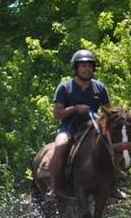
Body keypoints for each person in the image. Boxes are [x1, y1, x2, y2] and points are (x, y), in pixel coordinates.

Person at [48, 49, 126, 199]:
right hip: (69, 127)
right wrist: (75, 108)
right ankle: (54, 185)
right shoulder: (65, 87)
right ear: (76, 68)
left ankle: (114, 184)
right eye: (83, 65)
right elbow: (57, 114)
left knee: (113, 145)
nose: (86, 69)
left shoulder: (100, 88)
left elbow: (107, 112)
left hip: (93, 127)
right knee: (60, 145)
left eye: (89, 66)